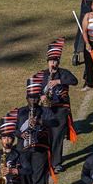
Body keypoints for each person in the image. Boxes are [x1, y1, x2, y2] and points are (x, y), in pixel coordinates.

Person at [36, 38, 78, 172]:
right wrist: (40, 97)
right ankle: (46, 162)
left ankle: (56, 163)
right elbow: (32, 91)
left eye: (55, 61)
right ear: (47, 62)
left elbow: (74, 81)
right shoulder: (42, 75)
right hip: (46, 110)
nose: (53, 64)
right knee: (46, 137)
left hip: (60, 110)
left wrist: (59, 81)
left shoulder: (64, 73)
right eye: (51, 61)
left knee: (57, 137)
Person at [16, 77, 57, 184]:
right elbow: (11, 129)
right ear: (26, 98)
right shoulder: (20, 112)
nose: (33, 100)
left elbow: (55, 122)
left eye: (35, 97)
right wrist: (19, 134)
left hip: (40, 148)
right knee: (25, 176)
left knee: (38, 176)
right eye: (30, 98)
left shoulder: (45, 111)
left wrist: (39, 121)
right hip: (23, 149)